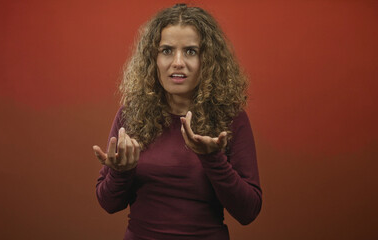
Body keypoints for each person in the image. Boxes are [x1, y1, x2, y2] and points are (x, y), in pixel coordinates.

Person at [93, 4, 262, 240]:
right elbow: (108, 203)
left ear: (208, 60)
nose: (178, 62)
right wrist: (120, 172)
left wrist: (213, 159)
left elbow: (248, 211)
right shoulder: (131, 115)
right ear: (153, 58)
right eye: (167, 50)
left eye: (191, 51)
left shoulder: (231, 118)